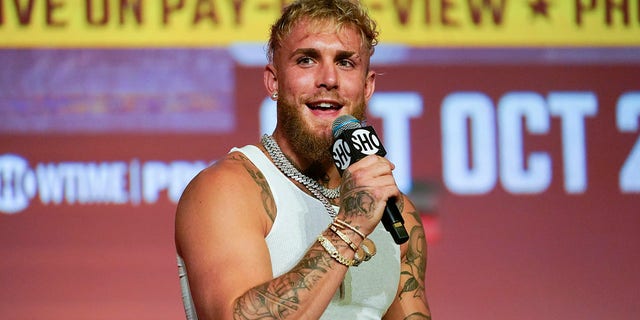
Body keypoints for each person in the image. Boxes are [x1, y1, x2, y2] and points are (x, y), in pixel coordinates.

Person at [175, 0, 432, 319]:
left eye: (345, 63)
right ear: (274, 81)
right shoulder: (229, 190)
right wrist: (350, 226)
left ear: (367, 87)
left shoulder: (397, 212)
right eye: (307, 60)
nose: (329, 79)